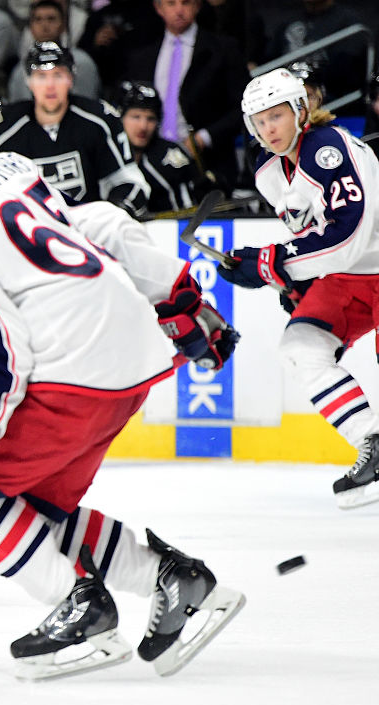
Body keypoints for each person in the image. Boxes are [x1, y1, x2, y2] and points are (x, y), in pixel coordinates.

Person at [0, 82, 244, 680]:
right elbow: (103, 223)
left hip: (72, 369)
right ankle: (173, 577)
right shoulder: (4, 166)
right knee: (28, 508)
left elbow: (2, 346)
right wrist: (176, 293)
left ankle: (76, 603)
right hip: (135, 355)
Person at [219, 67, 379, 510]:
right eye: (260, 121)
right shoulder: (269, 169)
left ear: (300, 111)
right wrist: (292, 278)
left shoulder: (328, 148)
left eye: (277, 116)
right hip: (351, 279)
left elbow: (347, 237)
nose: (269, 129)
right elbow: (313, 234)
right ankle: (373, 443)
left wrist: (275, 263)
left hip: (365, 265)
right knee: (300, 347)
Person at [0, 41, 150, 216]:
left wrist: (113, 216)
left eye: (58, 75)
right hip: (28, 237)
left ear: (71, 79)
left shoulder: (100, 120)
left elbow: (129, 182)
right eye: (41, 76)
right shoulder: (2, 128)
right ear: (28, 82)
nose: (50, 86)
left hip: (89, 235)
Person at [124, 0, 248, 191]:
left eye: (186, 2)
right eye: (171, 3)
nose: (179, 10)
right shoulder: (141, 57)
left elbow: (242, 107)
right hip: (153, 162)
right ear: (159, 8)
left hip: (210, 164)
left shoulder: (224, 49)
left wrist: (203, 138)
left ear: (197, 5)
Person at [116, 80, 206, 213]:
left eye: (150, 119)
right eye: (136, 117)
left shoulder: (171, 154)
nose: (143, 127)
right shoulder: (107, 153)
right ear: (119, 116)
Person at [8, 0, 100, 103]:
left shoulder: (82, 62)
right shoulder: (20, 70)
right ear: (30, 26)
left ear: (62, 24)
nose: (45, 26)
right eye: (38, 19)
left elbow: (87, 105)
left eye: (51, 19)